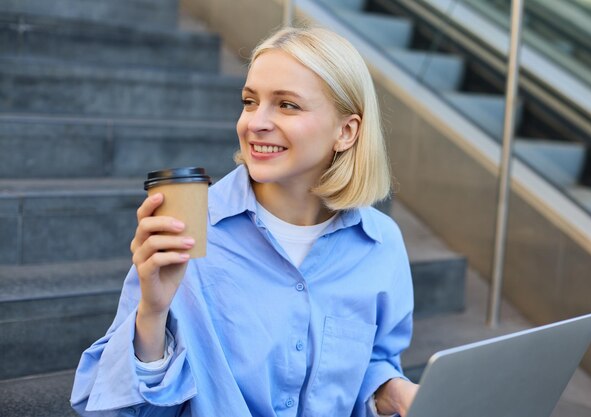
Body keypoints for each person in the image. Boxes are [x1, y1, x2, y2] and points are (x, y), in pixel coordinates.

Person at [71, 26, 418, 416]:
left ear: (347, 131)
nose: (255, 123)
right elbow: (108, 409)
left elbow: (375, 361)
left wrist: (389, 390)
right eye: (250, 101)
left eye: (287, 105)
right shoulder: (188, 230)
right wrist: (151, 313)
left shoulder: (381, 243)